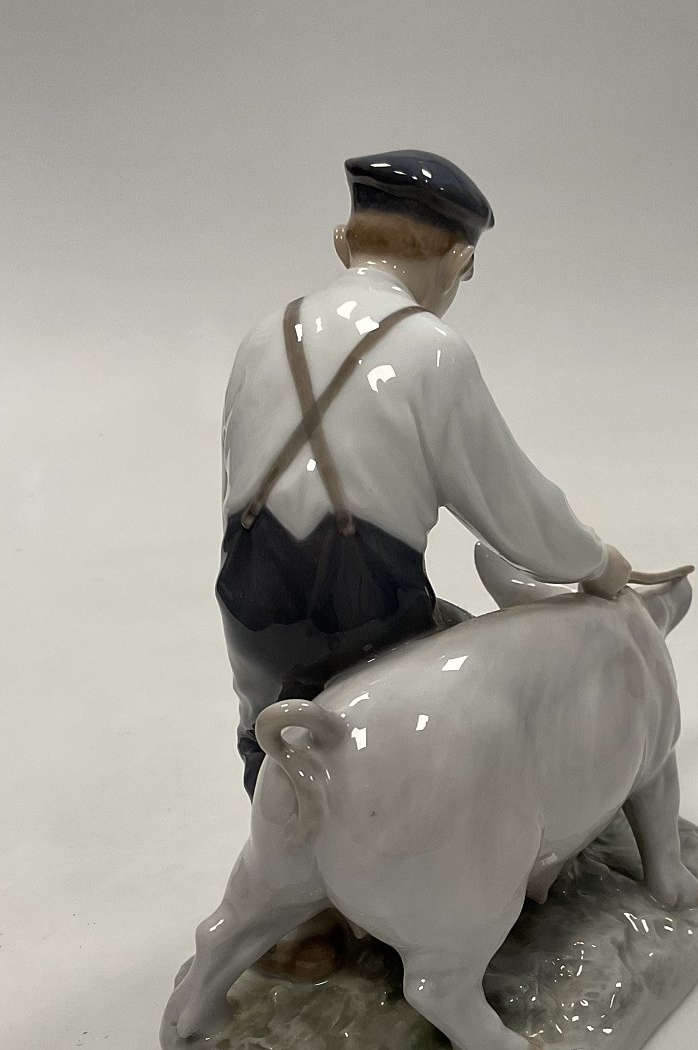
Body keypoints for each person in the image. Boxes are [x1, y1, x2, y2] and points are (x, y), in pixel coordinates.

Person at [217, 149, 633, 799]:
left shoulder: (263, 334)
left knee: (269, 742)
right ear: (458, 261)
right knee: (495, 700)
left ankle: (276, 826)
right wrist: (595, 562)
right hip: (365, 617)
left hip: (248, 609)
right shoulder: (432, 350)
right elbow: (514, 511)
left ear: (342, 244)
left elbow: (232, 485)